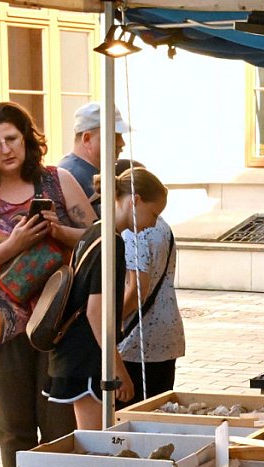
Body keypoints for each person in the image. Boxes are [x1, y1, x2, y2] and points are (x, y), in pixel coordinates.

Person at [0, 101, 95, 467]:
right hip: (2, 327)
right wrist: (13, 244)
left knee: (60, 427)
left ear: (27, 138)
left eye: (12, 138)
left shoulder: (57, 180)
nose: (6, 149)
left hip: (59, 321)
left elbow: (98, 240)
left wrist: (60, 231)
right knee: (13, 430)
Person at [44, 171, 175, 428]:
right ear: (134, 201)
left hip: (75, 354)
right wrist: (119, 369)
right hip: (87, 357)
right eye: (154, 213)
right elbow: (97, 312)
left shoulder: (94, 231)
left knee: (92, 440)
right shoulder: (112, 243)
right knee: (95, 445)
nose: (153, 223)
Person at [117, 167, 184, 403]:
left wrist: (111, 326)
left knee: (134, 418)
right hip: (165, 334)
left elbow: (137, 289)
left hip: (139, 341)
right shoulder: (162, 227)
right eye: (154, 213)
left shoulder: (135, 231)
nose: (154, 220)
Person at [58, 102, 127, 216]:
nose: (122, 143)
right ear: (87, 139)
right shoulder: (71, 175)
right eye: (114, 135)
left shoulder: (83, 170)